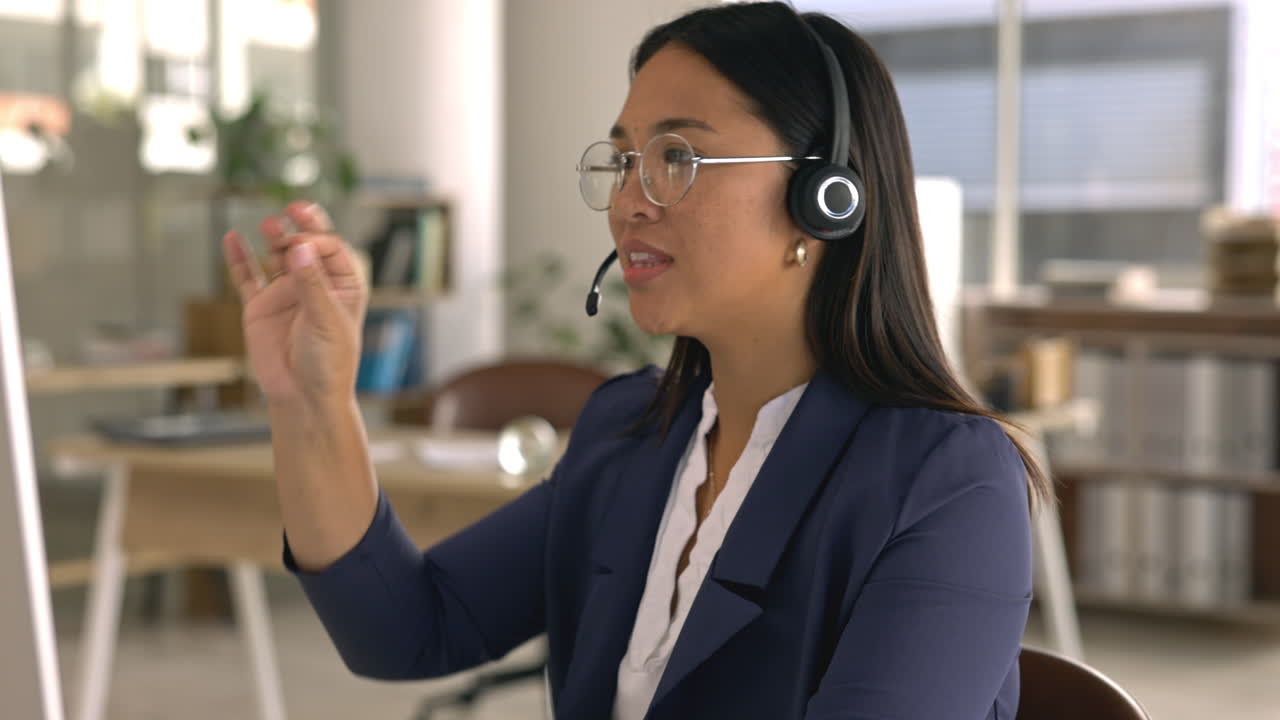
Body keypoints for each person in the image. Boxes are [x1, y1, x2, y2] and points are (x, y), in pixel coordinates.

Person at [219, 3, 1049, 718]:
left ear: (823, 199)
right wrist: (310, 397)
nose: (628, 201)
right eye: (622, 161)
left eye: (676, 158)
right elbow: (402, 628)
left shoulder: (951, 481)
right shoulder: (630, 434)